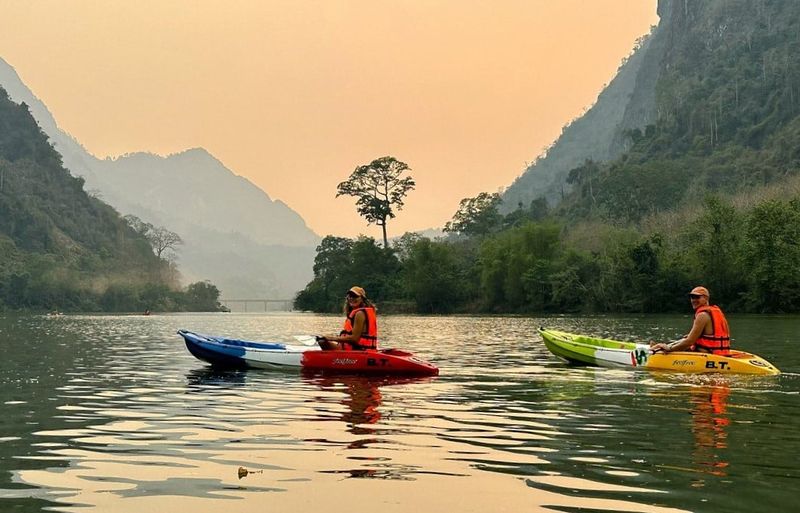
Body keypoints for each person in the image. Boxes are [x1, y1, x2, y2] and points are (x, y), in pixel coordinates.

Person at [651, 286, 731, 355]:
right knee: (684, 339)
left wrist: (670, 349)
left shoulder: (702, 315)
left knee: (683, 342)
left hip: (706, 355)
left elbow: (689, 342)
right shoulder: (715, 312)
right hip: (719, 353)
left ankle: (656, 349)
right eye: (692, 297)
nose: (693, 300)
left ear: (706, 298)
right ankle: (658, 347)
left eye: (697, 297)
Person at [317, 286, 378, 351]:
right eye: (350, 296)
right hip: (354, 349)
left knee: (322, 342)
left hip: (359, 350)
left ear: (362, 299)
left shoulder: (360, 313)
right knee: (322, 341)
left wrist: (332, 338)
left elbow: (354, 339)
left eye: (355, 296)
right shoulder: (357, 312)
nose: (351, 298)